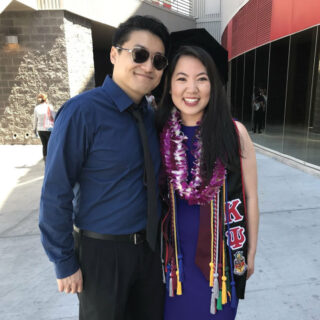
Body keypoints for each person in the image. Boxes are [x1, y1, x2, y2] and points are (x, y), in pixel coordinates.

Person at [39, 15, 169, 320]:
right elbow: (55, 191)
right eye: (139, 54)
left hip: (149, 253)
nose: (148, 66)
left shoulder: (151, 116)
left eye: (158, 60)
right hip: (101, 256)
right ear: (114, 54)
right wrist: (64, 261)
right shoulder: (81, 112)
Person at [156, 46, 259, 320]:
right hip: (171, 268)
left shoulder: (234, 133)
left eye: (201, 78)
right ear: (168, 86)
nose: (192, 88)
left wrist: (250, 251)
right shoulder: (157, 132)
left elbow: (250, 197)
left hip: (220, 267)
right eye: (181, 78)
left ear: (213, 84)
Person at [33, 93, 55, 161]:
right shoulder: (49, 106)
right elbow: (54, 117)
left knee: (44, 145)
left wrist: (34, 129)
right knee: (50, 145)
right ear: (46, 99)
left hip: (40, 130)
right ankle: (51, 160)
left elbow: (35, 120)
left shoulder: (36, 108)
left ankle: (45, 159)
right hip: (49, 129)